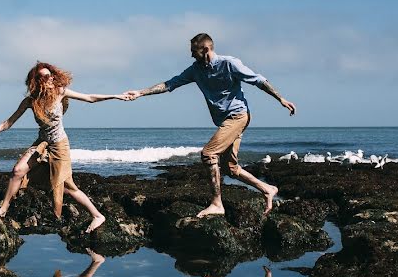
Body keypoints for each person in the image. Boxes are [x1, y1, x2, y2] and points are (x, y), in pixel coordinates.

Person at [126, 34, 296, 217]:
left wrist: (281, 98)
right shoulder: (195, 70)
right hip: (225, 121)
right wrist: (140, 93)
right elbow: (170, 84)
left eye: (194, 51)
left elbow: (258, 80)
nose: (191, 55)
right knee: (231, 168)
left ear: (206, 49)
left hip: (238, 116)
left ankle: (217, 204)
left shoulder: (229, 63)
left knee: (209, 153)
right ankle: (267, 188)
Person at [0, 62, 131, 233]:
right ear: (37, 81)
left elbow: (90, 98)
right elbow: (8, 122)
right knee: (18, 171)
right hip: (41, 143)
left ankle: (97, 215)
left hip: (59, 146)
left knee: (68, 187)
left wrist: (116, 96)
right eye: (45, 76)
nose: (50, 79)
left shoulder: (60, 92)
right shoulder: (31, 101)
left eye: (51, 75)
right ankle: (3, 209)